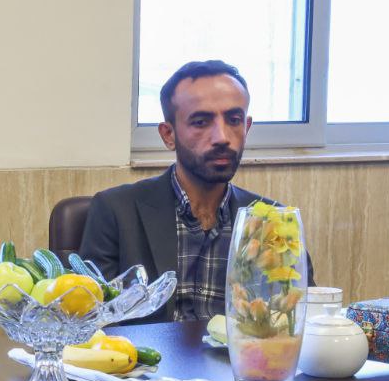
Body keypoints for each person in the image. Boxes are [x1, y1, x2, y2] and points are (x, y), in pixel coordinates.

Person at [79, 59, 310, 323]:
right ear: (168, 134)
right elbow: (91, 320)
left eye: (234, 120)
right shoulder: (116, 210)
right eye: (201, 122)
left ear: (246, 128)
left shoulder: (273, 221)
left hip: (238, 351)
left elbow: (299, 319)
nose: (222, 137)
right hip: (146, 351)